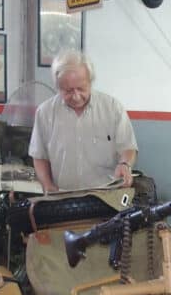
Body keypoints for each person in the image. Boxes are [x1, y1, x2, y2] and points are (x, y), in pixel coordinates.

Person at [29, 50, 138, 193]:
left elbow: (128, 147)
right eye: (68, 91)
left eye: (81, 88)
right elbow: (39, 156)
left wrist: (125, 164)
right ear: (58, 86)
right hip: (62, 196)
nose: (76, 96)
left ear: (90, 81)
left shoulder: (112, 108)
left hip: (107, 196)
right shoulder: (45, 113)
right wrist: (47, 185)